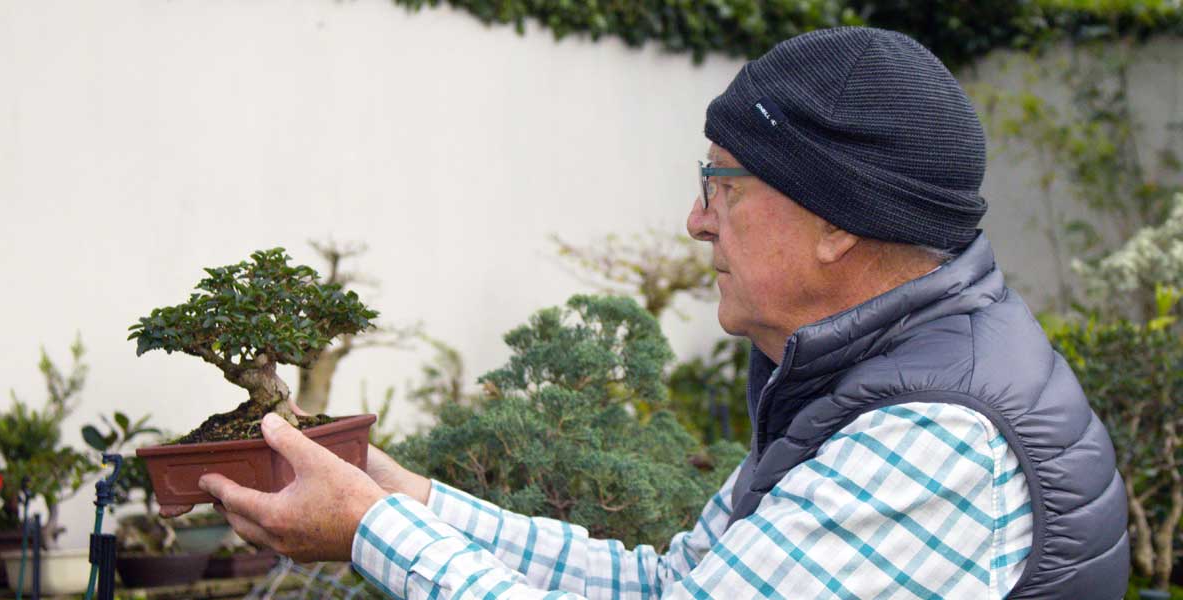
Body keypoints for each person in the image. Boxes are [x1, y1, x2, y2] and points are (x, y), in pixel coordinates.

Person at [169, 27, 1129, 598]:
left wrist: (369, 532)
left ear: (836, 221)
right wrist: (404, 494)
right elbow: (668, 587)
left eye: (723, 183)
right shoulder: (870, 378)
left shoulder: (931, 437)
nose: (696, 220)